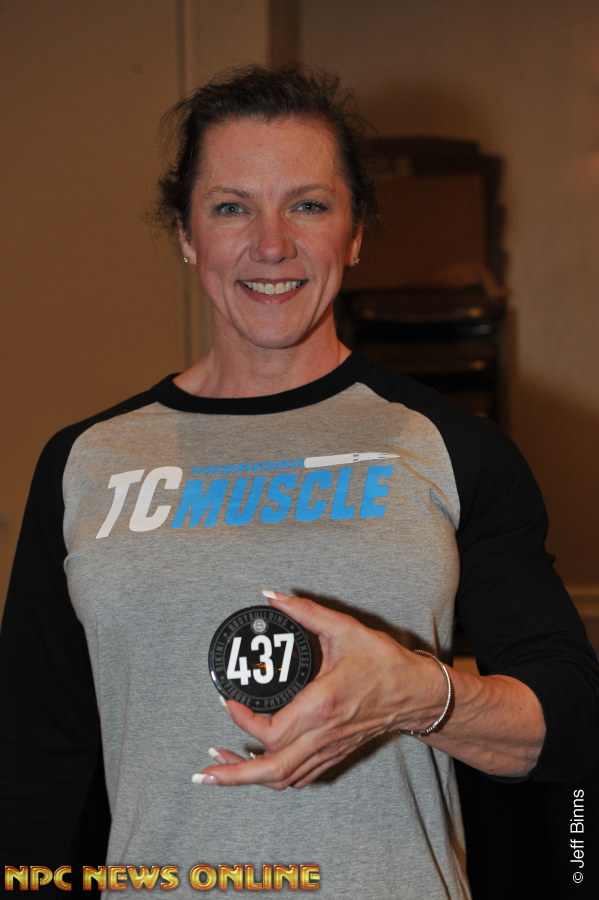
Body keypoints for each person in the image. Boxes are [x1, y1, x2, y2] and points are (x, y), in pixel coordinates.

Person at [1, 64, 598, 899]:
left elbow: (572, 724)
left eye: (308, 205)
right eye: (231, 207)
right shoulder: (85, 462)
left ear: (355, 233)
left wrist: (420, 698)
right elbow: (33, 767)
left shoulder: (448, 448)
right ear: (185, 233)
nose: (271, 243)